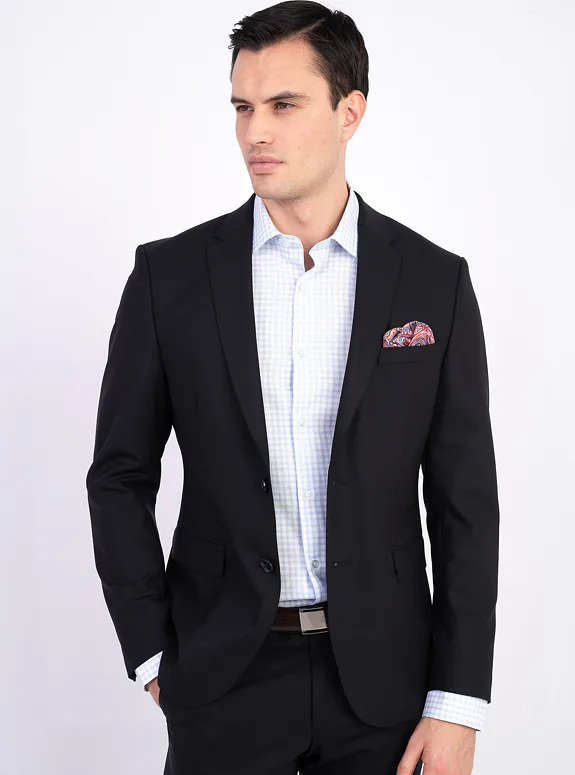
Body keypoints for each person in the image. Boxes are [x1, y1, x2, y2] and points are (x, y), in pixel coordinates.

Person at [85, 2, 500, 773]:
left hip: (386, 685)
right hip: (221, 676)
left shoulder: (432, 282)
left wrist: (456, 701)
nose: (255, 132)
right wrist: (149, 651)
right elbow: (118, 474)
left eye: (282, 104)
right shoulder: (168, 278)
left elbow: (463, 503)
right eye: (242, 107)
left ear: (349, 112)